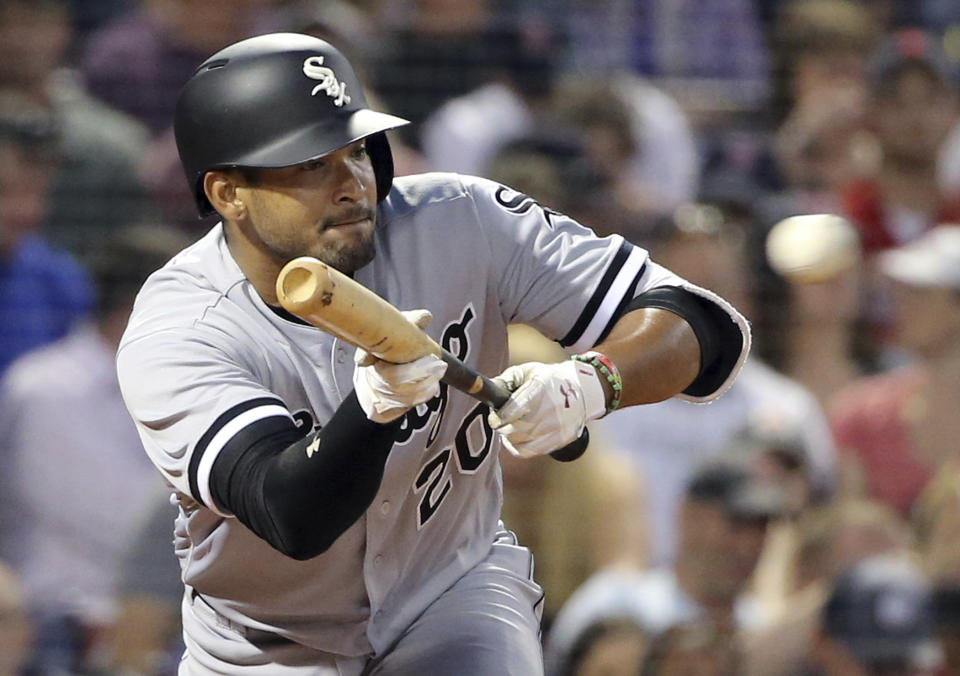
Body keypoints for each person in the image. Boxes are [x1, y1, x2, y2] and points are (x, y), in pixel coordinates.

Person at [115, 33, 750, 674]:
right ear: (228, 193)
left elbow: (700, 323)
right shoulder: (179, 332)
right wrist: (373, 410)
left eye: (358, 150)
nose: (352, 184)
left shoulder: (458, 218)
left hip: (451, 592)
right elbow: (293, 517)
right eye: (311, 164)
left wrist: (591, 383)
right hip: (264, 644)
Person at [0, 224, 187, 674]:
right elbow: (119, 527)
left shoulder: (181, 387)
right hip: (58, 637)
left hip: (161, 630)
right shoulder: (47, 388)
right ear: (139, 310)